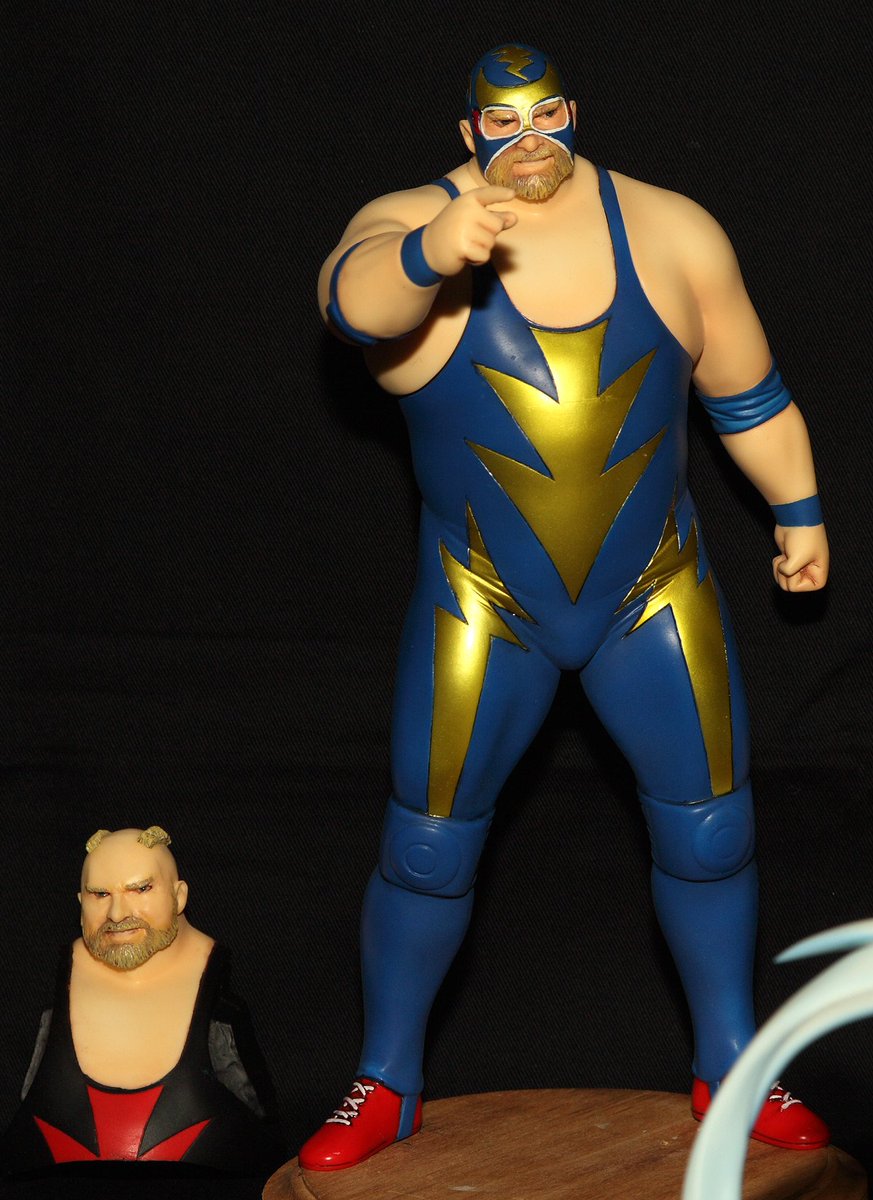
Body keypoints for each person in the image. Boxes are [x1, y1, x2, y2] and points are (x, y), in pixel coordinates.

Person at [300, 44, 831, 1172]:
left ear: (574, 112)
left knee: (713, 831)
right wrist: (430, 251)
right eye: (503, 120)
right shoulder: (409, 224)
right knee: (428, 849)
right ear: (469, 133)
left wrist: (799, 509)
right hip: (483, 601)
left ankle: (734, 1058)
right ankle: (384, 1077)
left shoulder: (673, 231)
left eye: (546, 113)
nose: (528, 136)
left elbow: (749, 396)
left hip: (655, 592)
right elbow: (351, 303)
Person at [1, 826, 283, 1176]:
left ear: (179, 896)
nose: (118, 913)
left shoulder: (214, 996)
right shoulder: (65, 977)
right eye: (100, 894)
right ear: (80, 902)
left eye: (141, 889)